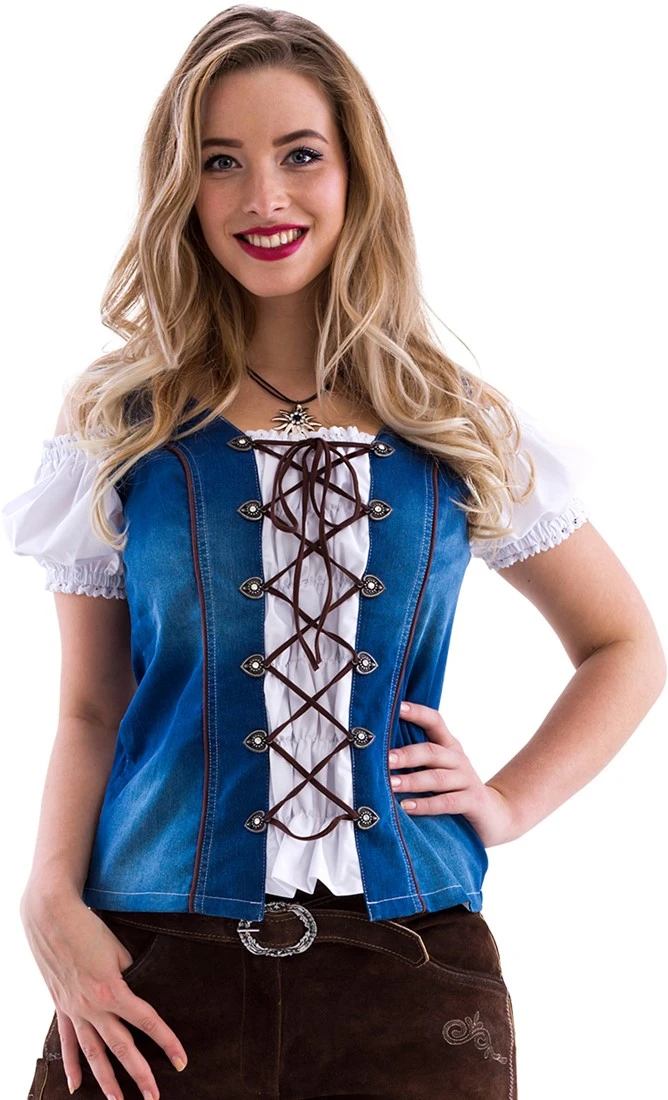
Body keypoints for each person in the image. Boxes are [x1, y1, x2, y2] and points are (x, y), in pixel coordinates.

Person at [2, 6, 665, 1100]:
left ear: (357, 171)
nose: (263, 197)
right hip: (150, 968)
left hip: (408, 977)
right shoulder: (123, 426)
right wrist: (47, 897)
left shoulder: (454, 423)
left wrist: (505, 802)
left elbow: (623, 644)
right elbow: (89, 704)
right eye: (221, 161)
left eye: (299, 154)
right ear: (181, 190)